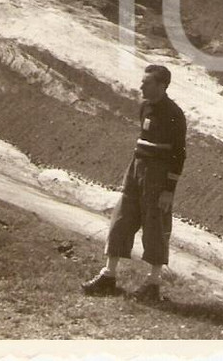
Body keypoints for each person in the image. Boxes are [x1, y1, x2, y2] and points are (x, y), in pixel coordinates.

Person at [82, 64, 187, 301]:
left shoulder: (174, 114)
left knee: (155, 226)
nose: (141, 86)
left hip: (158, 174)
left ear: (162, 85)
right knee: (122, 218)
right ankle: (108, 276)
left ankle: (153, 284)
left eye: (147, 83)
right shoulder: (144, 107)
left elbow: (179, 154)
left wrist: (168, 190)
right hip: (136, 168)